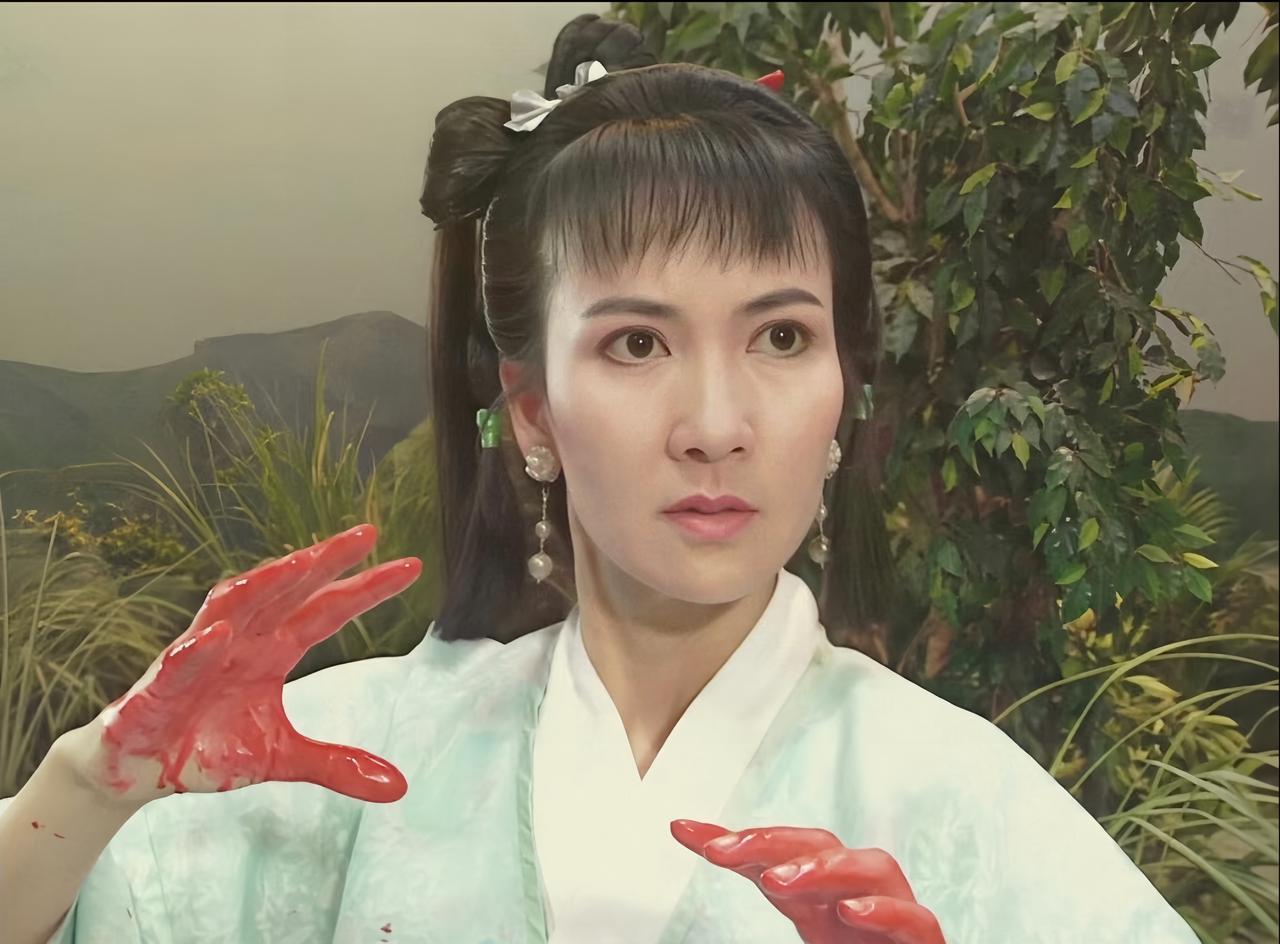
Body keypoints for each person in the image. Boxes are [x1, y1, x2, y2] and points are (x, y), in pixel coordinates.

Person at [0, 12, 1202, 944]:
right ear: (530, 409)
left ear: (843, 385)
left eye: (782, 336)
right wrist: (87, 789)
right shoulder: (342, 757)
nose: (716, 424)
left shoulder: (964, 801)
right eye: (635, 342)